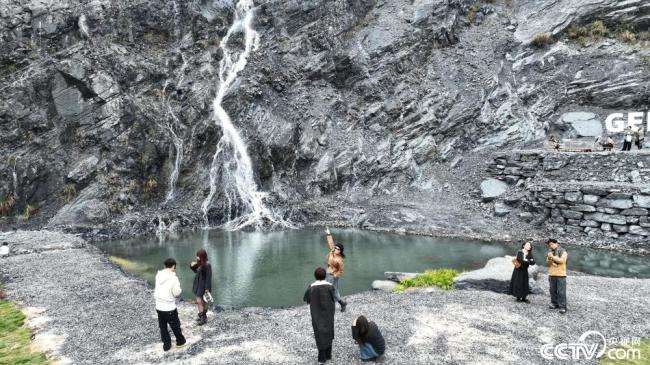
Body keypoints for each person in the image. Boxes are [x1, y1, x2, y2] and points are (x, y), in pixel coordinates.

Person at [304, 267, 336, 364]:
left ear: (315, 276)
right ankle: (328, 354)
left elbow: (307, 299)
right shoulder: (330, 286)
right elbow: (333, 297)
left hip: (316, 313)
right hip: (329, 312)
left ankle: (322, 357)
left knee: (319, 332)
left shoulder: (311, 287)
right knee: (329, 330)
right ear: (325, 276)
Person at [154, 258, 186, 351]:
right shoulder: (173, 278)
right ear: (173, 266)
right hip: (169, 306)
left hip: (159, 305)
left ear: (165, 266)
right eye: (175, 267)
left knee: (162, 327)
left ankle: (166, 345)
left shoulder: (158, 275)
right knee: (175, 325)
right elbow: (176, 293)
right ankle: (180, 341)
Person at [324, 225, 347, 312]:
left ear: (340, 251)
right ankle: (340, 303)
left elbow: (341, 270)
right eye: (335, 248)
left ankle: (337, 304)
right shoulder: (333, 251)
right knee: (333, 290)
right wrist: (328, 233)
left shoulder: (339, 260)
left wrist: (335, 276)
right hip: (328, 272)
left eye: (338, 249)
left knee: (331, 290)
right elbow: (331, 242)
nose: (336, 249)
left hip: (333, 275)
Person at [190, 248, 212, 325]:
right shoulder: (199, 264)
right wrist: (192, 266)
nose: (197, 257)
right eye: (197, 256)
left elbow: (208, 277)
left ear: (202, 256)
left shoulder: (208, 265)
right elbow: (196, 272)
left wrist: (207, 289)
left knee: (205, 301)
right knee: (199, 301)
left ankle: (203, 317)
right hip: (198, 285)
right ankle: (202, 317)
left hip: (204, 287)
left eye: (198, 256)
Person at [546, 239, 568, 314]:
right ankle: (554, 303)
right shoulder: (550, 252)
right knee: (552, 290)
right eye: (549, 245)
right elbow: (547, 263)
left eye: (552, 244)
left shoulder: (563, 251)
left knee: (561, 292)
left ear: (557, 244)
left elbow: (562, 261)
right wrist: (550, 261)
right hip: (552, 274)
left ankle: (563, 307)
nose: (550, 246)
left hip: (561, 274)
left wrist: (552, 256)